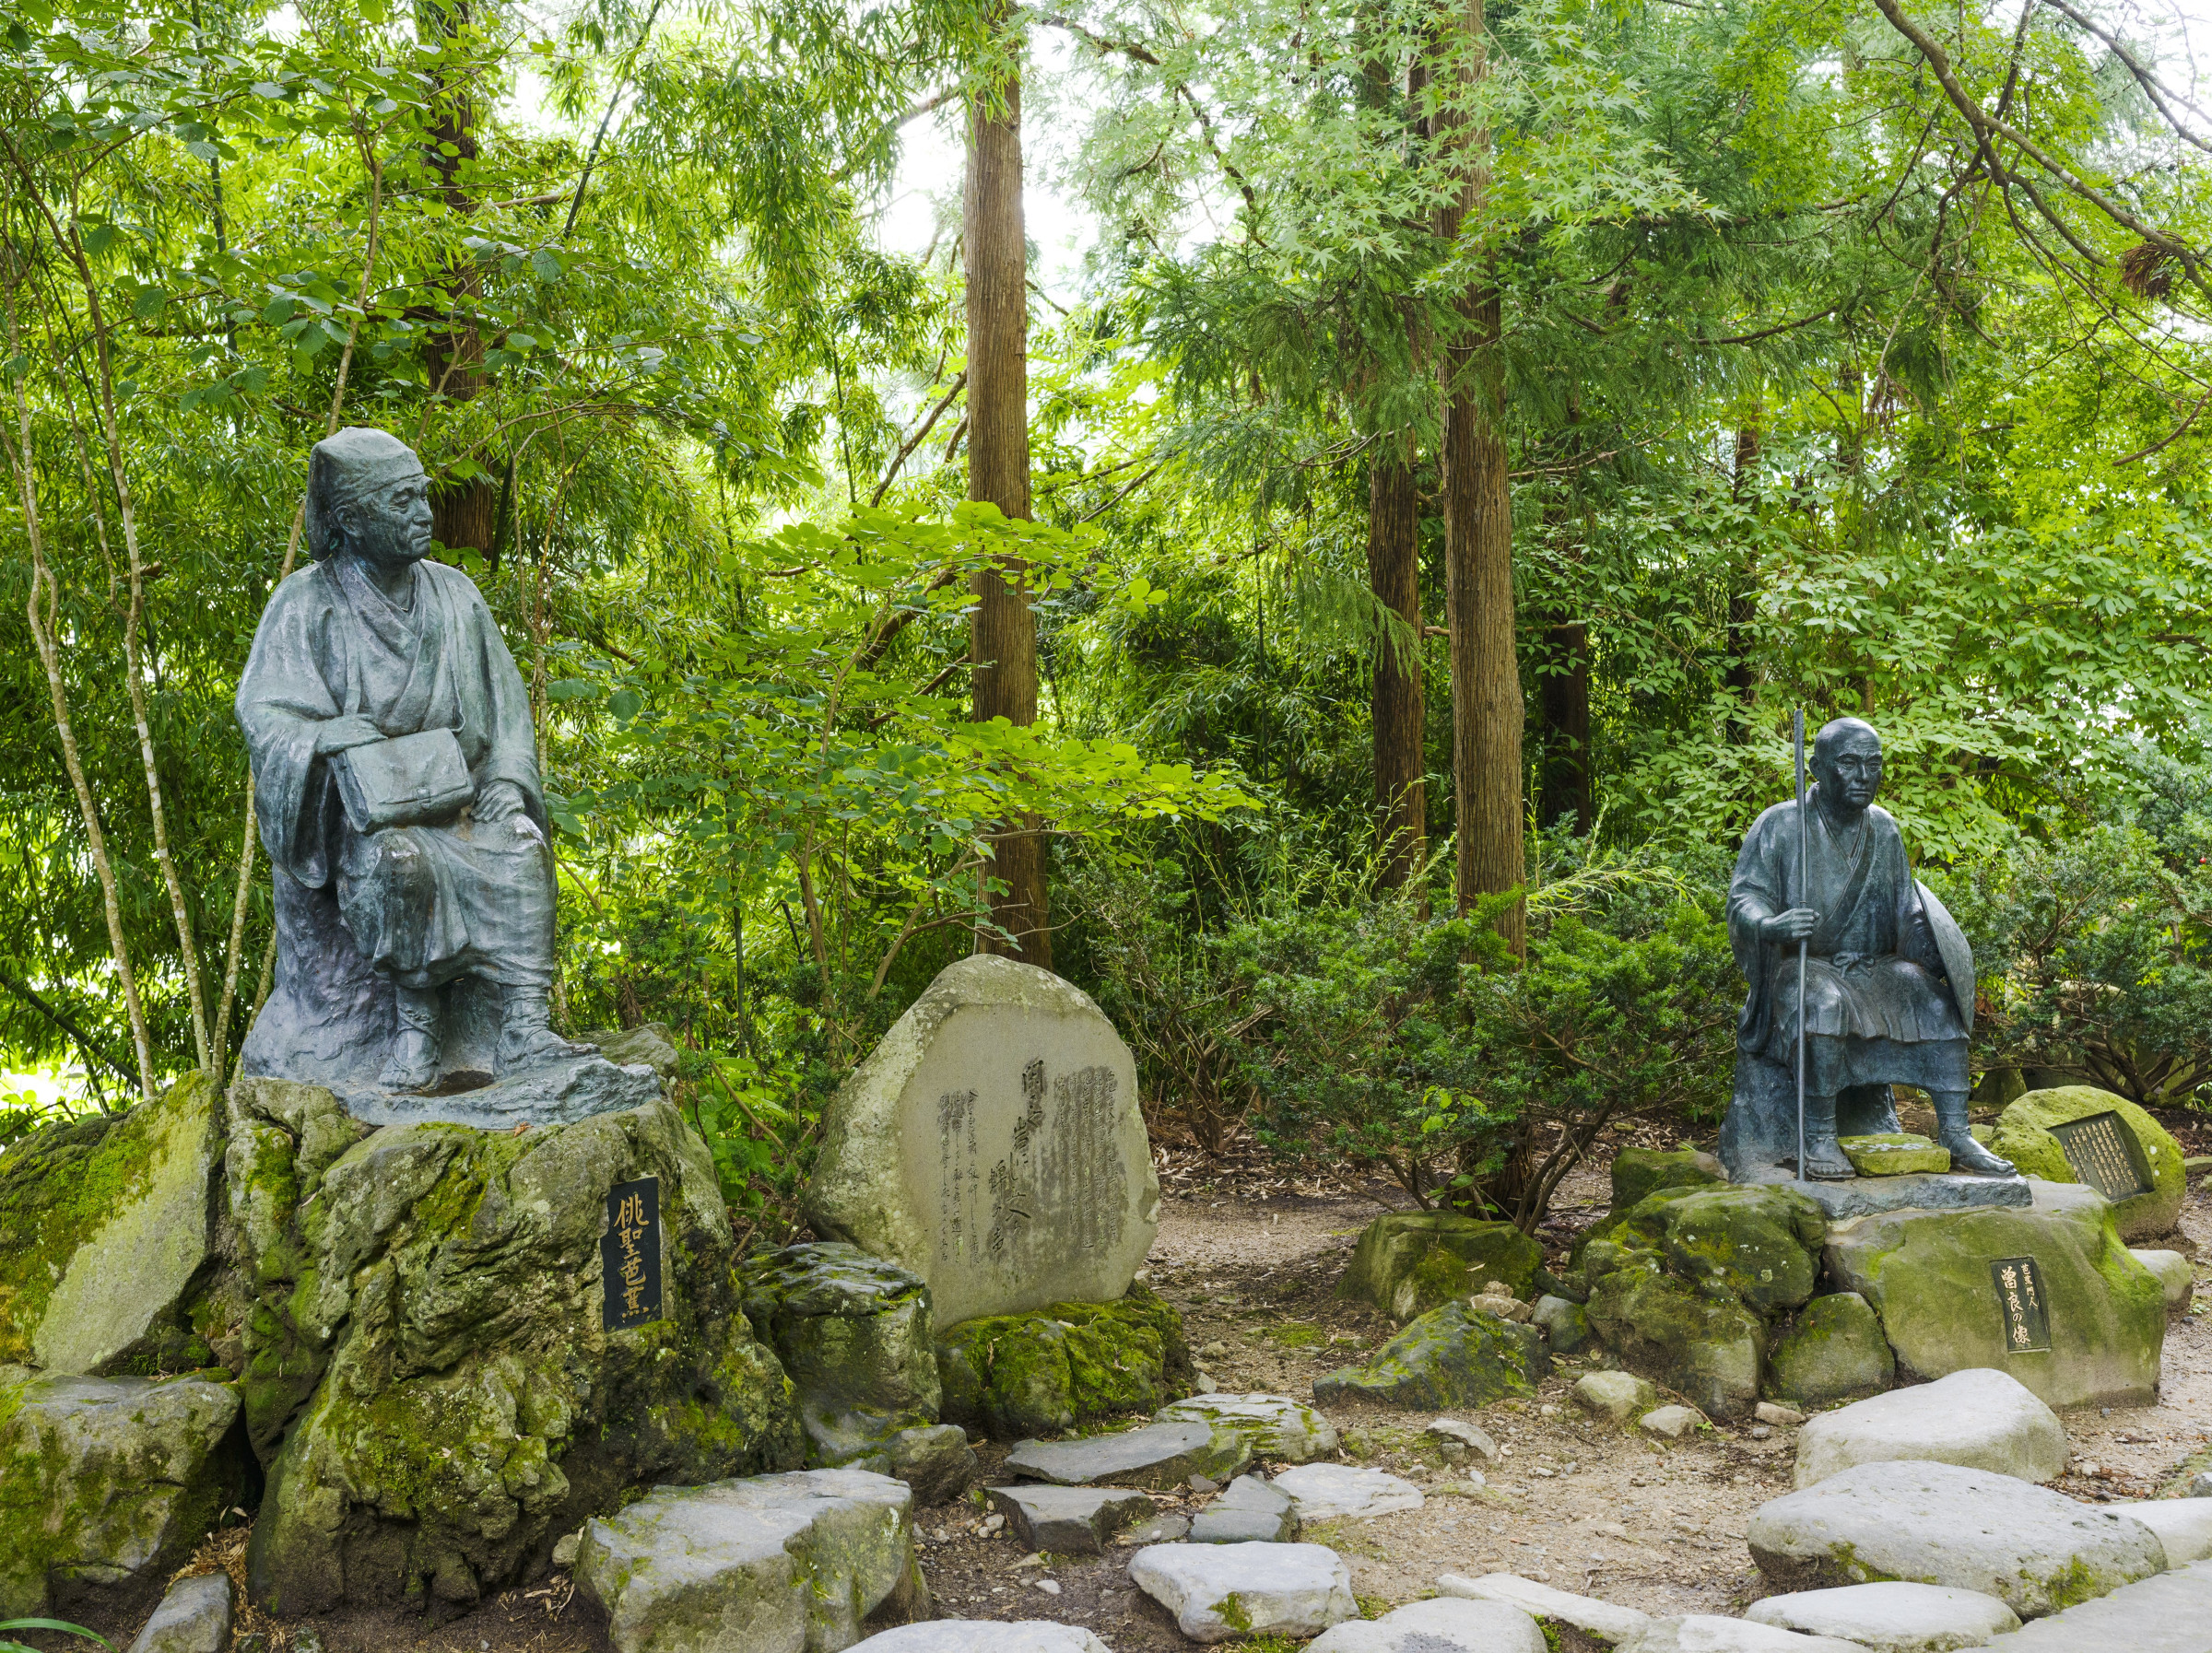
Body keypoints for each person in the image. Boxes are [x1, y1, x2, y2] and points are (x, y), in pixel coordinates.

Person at [236, 427, 588, 1092]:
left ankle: (524, 1025)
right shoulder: (305, 604)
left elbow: (508, 708)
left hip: (460, 801)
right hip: (364, 818)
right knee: (399, 865)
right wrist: (326, 737)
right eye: (401, 502)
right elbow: (267, 716)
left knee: (519, 847)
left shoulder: (456, 597)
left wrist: (508, 784)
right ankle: (416, 1027)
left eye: (422, 497)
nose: (423, 514)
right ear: (350, 519)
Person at [1724, 717, 2014, 1179]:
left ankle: (1956, 1133)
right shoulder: (1781, 824)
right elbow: (1745, 899)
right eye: (1849, 763)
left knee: (1940, 1007)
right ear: (1817, 767)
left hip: (1873, 968)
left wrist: (1930, 946)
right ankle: (1818, 1136)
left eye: (1873, 765)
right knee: (1821, 1005)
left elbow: (1906, 908)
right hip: (1805, 966)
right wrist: (1773, 924)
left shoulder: (1885, 828)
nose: (1863, 776)